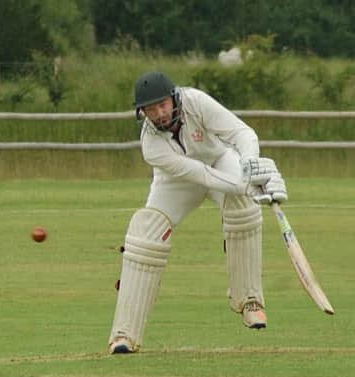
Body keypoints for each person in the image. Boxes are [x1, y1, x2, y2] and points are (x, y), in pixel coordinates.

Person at [108, 71, 287, 354]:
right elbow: (202, 176)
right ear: (143, 113)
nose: (160, 113)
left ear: (174, 99)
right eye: (151, 109)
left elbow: (242, 133)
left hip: (219, 158)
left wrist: (253, 167)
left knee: (243, 206)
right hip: (176, 180)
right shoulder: (151, 147)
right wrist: (248, 186)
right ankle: (124, 335)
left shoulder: (196, 101)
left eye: (163, 105)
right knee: (147, 232)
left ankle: (250, 301)